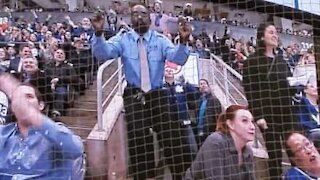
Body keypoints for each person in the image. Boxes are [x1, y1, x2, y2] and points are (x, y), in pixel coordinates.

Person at [90, 4, 191, 180]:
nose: (138, 17)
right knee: (138, 134)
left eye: (143, 14)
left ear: (150, 18)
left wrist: (183, 41)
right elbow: (103, 54)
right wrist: (99, 34)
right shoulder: (122, 39)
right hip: (134, 93)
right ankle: (145, 176)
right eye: (134, 14)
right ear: (130, 19)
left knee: (170, 131)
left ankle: (180, 174)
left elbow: (178, 58)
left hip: (157, 93)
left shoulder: (160, 40)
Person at [242, 22, 300, 179]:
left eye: (276, 33)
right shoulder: (251, 61)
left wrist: (298, 85)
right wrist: (258, 116)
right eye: (271, 32)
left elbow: (288, 85)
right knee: (275, 158)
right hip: (268, 117)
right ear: (261, 36)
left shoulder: (281, 60)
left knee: (295, 152)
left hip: (287, 114)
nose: (275, 35)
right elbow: (250, 91)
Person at [0, 73, 84, 179]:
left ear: (41, 105)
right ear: (12, 107)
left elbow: (75, 150)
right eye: (18, 98)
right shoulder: (3, 133)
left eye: (29, 97)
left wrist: (33, 116)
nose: (22, 102)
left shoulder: (56, 132)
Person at [185, 105, 256, 179]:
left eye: (252, 122)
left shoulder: (248, 151)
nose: (252, 127)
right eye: (244, 120)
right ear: (230, 124)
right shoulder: (215, 142)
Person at [162, 64, 199, 180]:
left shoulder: (182, 85)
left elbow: (194, 94)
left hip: (185, 123)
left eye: (170, 70)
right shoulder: (161, 87)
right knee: (173, 153)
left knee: (193, 149)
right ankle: (176, 175)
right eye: (166, 70)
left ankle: (192, 174)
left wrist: (187, 82)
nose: (169, 71)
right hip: (169, 127)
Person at [195, 78, 222, 146]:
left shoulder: (214, 100)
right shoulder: (198, 101)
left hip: (211, 130)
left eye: (204, 83)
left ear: (208, 86)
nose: (203, 85)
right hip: (200, 131)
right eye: (201, 84)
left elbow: (219, 116)